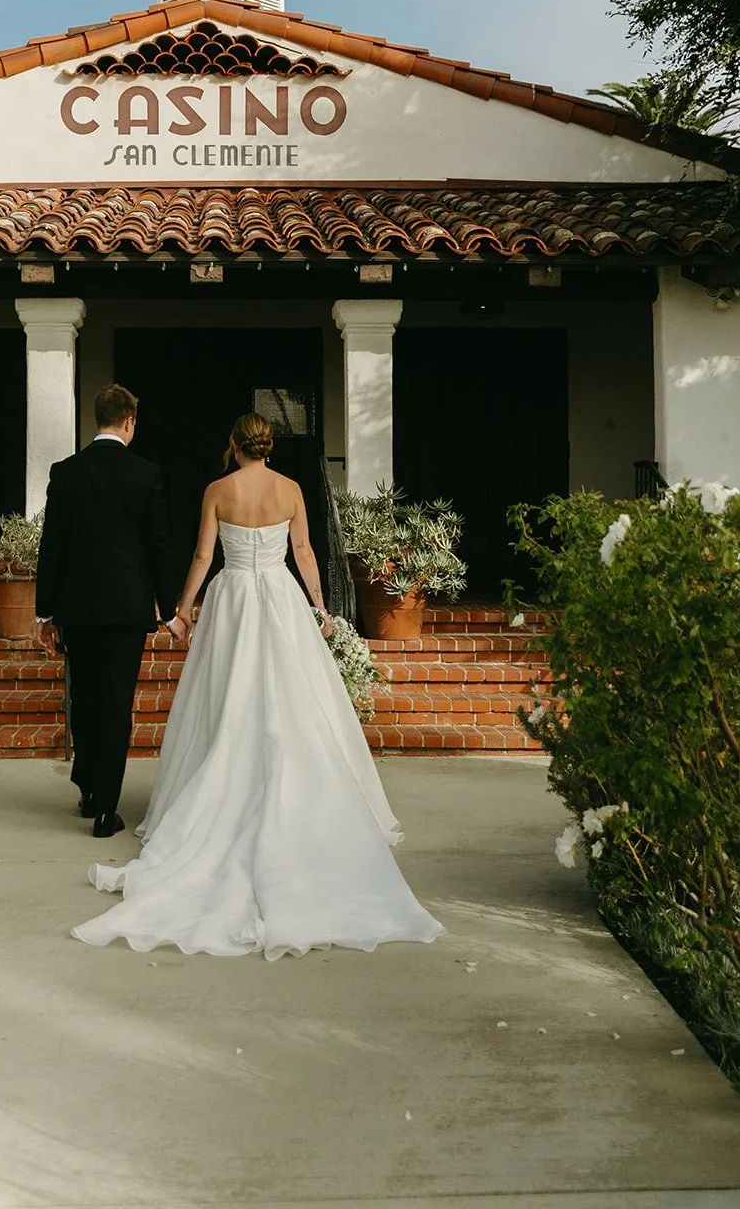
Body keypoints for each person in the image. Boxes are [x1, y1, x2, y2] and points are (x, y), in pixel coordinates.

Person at [71, 412, 443, 956]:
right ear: (266, 445)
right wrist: (319, 606)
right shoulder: (291, 488)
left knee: (229, 697)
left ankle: (228, 779)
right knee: (293, 698)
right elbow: (304, 553)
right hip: (280, 596)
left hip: (234, 599)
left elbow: (203, 555)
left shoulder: (219, 490)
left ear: (234, 444)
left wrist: (183, 610)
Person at [35, 384, 187, 838]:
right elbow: (159, 548)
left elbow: (52, 546)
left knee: (84, 694)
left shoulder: (66, 472)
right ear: (129, 421)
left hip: (78, 607)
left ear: (98, 419)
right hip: (125, 608)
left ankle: (88, 787)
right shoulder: (145, 474)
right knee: (116, 703)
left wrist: (44, 613)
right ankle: (106, 807)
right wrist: (170, 609)